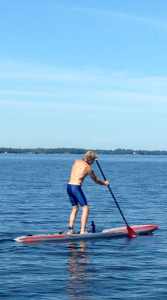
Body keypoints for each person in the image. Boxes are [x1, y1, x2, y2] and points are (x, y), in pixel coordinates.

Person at [67, 151, 109, 235]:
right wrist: (104, 183)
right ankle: (83, 230)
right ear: (89, 159)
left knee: (75, 208)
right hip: (76, 188)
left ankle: (70, 230)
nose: (93, 163)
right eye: (92, 161)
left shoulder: (76, 161)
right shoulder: (88, 168)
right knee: (86, 208)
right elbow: (96, 180)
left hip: (69, 187)